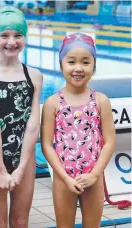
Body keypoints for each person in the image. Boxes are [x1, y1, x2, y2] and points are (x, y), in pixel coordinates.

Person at [0, 6, 43, 228]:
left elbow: (33, 125)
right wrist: (1, 170)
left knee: (21, 220)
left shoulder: (34, 76)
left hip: (25, 157)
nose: (11, 42)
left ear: (25, 37)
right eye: (4, 35)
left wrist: (22, 167)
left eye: (17, 35)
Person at [41, 33, 116, 227]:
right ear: (61, 65)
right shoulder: (52, 103)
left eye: (85, 62)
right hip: (63, 179)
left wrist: (94, 174)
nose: (78, 68)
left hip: (93, 178)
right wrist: (64, 177)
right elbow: (47, 145)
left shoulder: (101, 101)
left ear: (94, 66)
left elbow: (109, 142)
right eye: (71, 61)